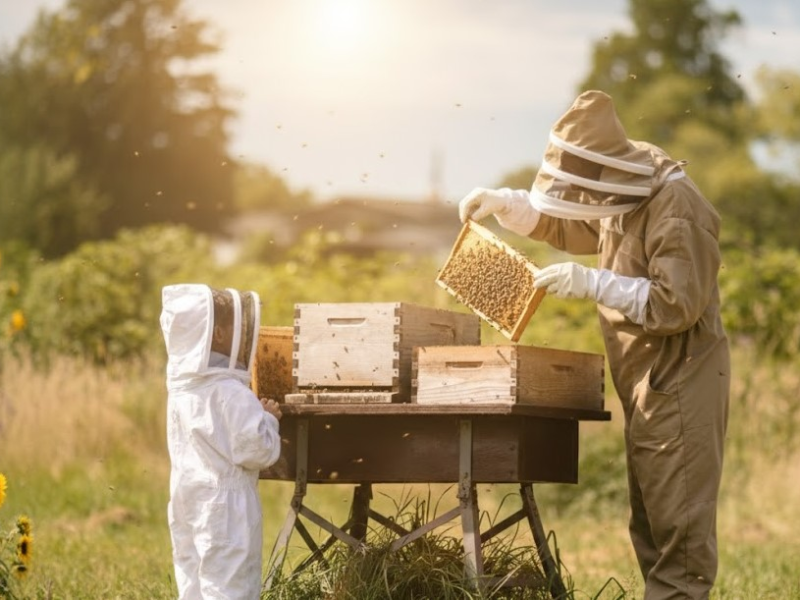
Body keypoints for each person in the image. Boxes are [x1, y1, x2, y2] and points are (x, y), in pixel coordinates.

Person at [459, 90, 730, 600]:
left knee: (679, 527)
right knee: (651, 517)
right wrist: (510, 205)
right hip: (646, 375)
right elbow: (578, 223)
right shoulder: (622, 186)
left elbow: (677, 305)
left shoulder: (675, 205)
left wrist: (593, 283)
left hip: (682, 375)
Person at [159, 283, 283, 599]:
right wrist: (269, 419)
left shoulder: (182, 392)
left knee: (193, 583)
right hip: (226, 509)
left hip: (186, 498)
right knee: (230, 587)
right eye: (235, 328)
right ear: (217, 334)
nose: (243, 336)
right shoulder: (232, 393)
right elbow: (257, 450)